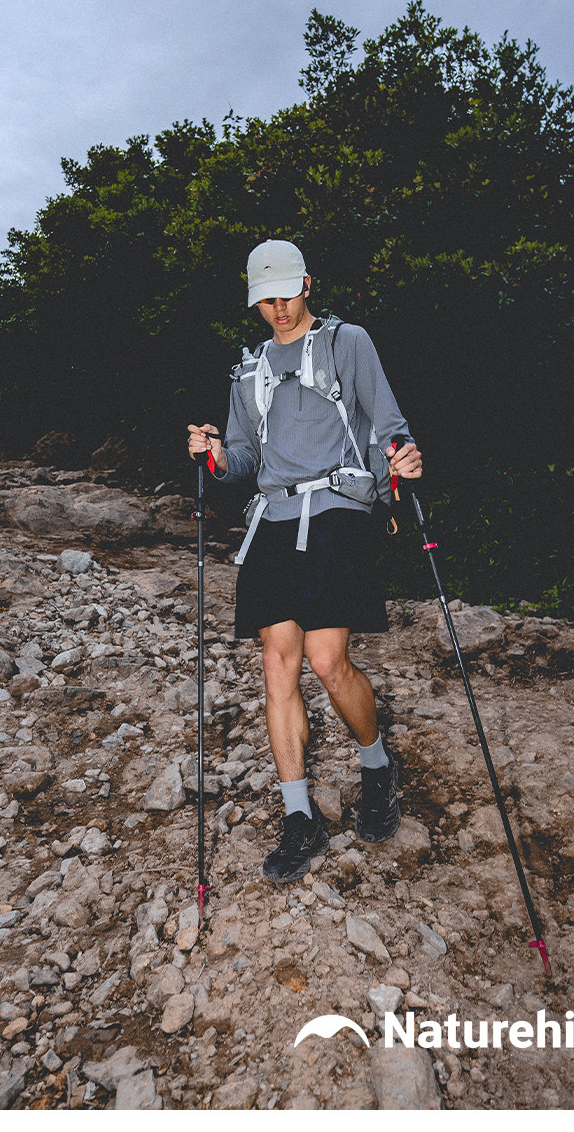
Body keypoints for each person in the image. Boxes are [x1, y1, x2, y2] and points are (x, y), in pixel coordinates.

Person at [188, 239, 422, 884]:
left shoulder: (349, 343)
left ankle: (377, 765)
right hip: (273, 519)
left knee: (327, 662)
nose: (280, 309)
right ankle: (299, 816)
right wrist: (215, 455)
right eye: (266, 300)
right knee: (277, 664)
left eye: (287, 294)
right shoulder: (248, 371)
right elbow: (243, 457)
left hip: (338, 510)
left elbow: (388, 422)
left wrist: (401, 460)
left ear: (308, 284)